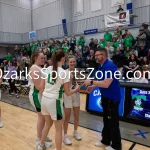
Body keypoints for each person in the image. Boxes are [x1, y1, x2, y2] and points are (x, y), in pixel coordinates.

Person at [38, 50, 80, 150]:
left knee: (47, 125)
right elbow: (68, 93)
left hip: (44, 100)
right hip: (55, 101)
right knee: (58, 129)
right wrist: (76, 89)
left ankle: (41, 145)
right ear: (63, 59)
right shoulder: (63, 73)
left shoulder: (47, 68)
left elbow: (42, 87)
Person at [83, 48, 122, 150]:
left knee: (113, 122)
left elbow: (106, 83)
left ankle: (116, 146)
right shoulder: (101, 66)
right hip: (105, 98)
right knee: (106, 120)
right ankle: (105, 140)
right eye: (95, 55)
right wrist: (93, 86)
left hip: (112, 99)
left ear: (103, 56)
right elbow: (100, 81)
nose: (95, 57)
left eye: (97, 55)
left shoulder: (109, 66)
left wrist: (91, 82)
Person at [29, 51, 52, 149]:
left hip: (40, 95)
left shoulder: (40, 68)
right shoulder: (34, 69)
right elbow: (39, 87)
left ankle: (43, 136)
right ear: (35, 58)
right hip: (36, 95)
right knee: (42, 118)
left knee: (44, 118)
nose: (43, 60)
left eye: (44, 58)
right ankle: (39, 140)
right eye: (41, 58)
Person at [63, 55, 82, 145]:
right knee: (67, 116)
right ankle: (65, 135)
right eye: (71, 62)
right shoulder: (64, 73)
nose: (72, 63)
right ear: (67, 63)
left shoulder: (77, 71)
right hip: (67, 95)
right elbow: (64, 86)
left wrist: (80, 86)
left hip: (76, 95)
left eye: (74, 61)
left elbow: (80, 83)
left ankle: (75, 132)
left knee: (76, 115)